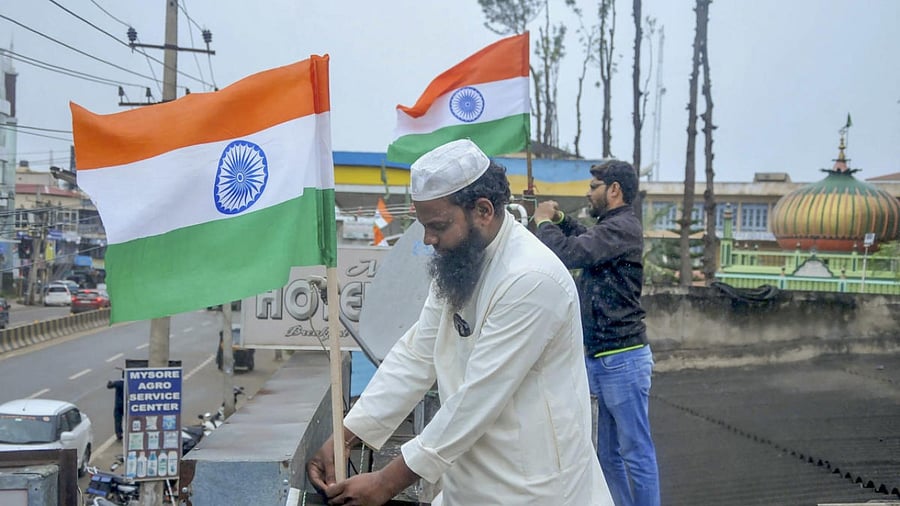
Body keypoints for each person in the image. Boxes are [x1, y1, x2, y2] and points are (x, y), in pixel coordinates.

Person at [307, 139, 613, 506]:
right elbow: (417, 354)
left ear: (482, 210)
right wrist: (346, 435)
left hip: (534, 488)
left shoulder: (531, 278)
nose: (427, 239)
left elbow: (477, 398)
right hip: (470, 484)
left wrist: (387, 482)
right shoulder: (462, 264)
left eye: (437, 225)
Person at [533, 159, 660, 506]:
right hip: (603, 359)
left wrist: (544, 222)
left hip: (622, 359)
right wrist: (561, 221)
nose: (588, 193)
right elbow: (586, 239)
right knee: (607, 455)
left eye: (594, 187)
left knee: (635, 452)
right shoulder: (613, 227)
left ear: (614, 190)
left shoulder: (623, 228)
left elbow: (571, 252)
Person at [106, 373, 125, 441]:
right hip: (126, 405)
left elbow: (109, 386)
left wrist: (109, 382)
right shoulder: (129, 383)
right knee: (128, 419)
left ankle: (119, 434)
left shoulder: (118, 383)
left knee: (118, 420)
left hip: (118, 405)